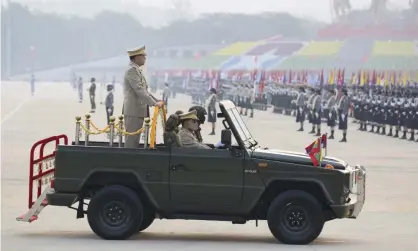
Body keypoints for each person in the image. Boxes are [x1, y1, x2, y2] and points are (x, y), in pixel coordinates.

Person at [122, 45, 164, 148]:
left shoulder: (137, 70)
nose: (145, 58)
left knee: (135, 140)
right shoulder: (132, 70)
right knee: (131, 141)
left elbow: (144, 90)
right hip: (133, 110)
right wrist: (154, 103)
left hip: (137, 110)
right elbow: (139, 90)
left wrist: (156, 100)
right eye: (143, 56)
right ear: (136, 57)